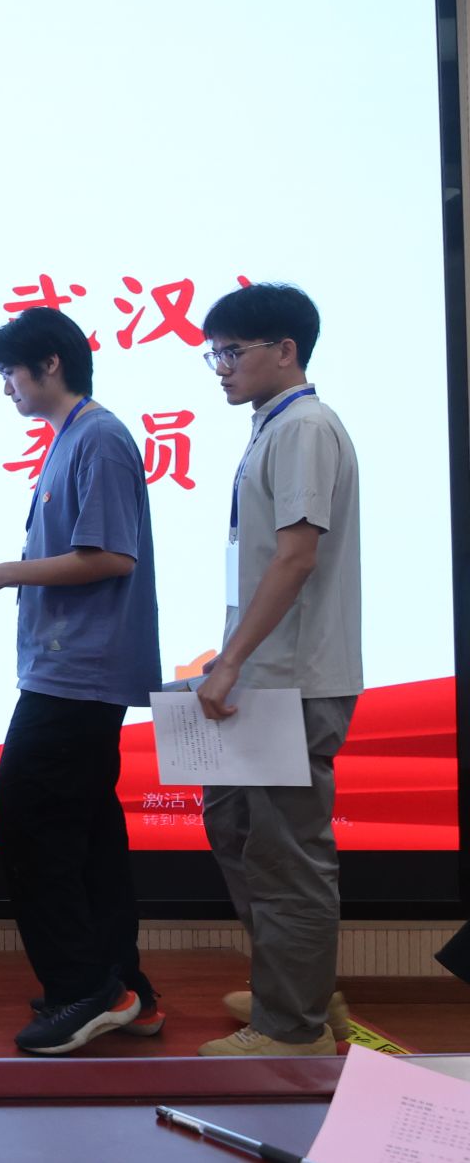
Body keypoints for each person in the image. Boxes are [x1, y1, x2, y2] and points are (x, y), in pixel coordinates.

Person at [0, 307, 163, 1054]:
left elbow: (111, 556)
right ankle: (122, 984)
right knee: (86, 830)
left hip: (79, 672)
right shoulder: (72, 437)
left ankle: (84, 988)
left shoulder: (97, 437)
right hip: (70, 668)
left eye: (11, 371)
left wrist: (4, 573)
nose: (7, 386)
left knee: (25, 815)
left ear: (50, 364)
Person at [193, 283, 360, 1057]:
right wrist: (229, 654)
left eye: (231, 351)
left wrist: (231, 660)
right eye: (214, 354)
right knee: (234, 825)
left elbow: (296, 557)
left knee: (287, 853)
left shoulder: (304, 428)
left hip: (292, 677)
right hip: (262, 674)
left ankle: (293, 1029)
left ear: (285, 350)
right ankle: (296, 985)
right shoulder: (274, 426)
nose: (221, 367)